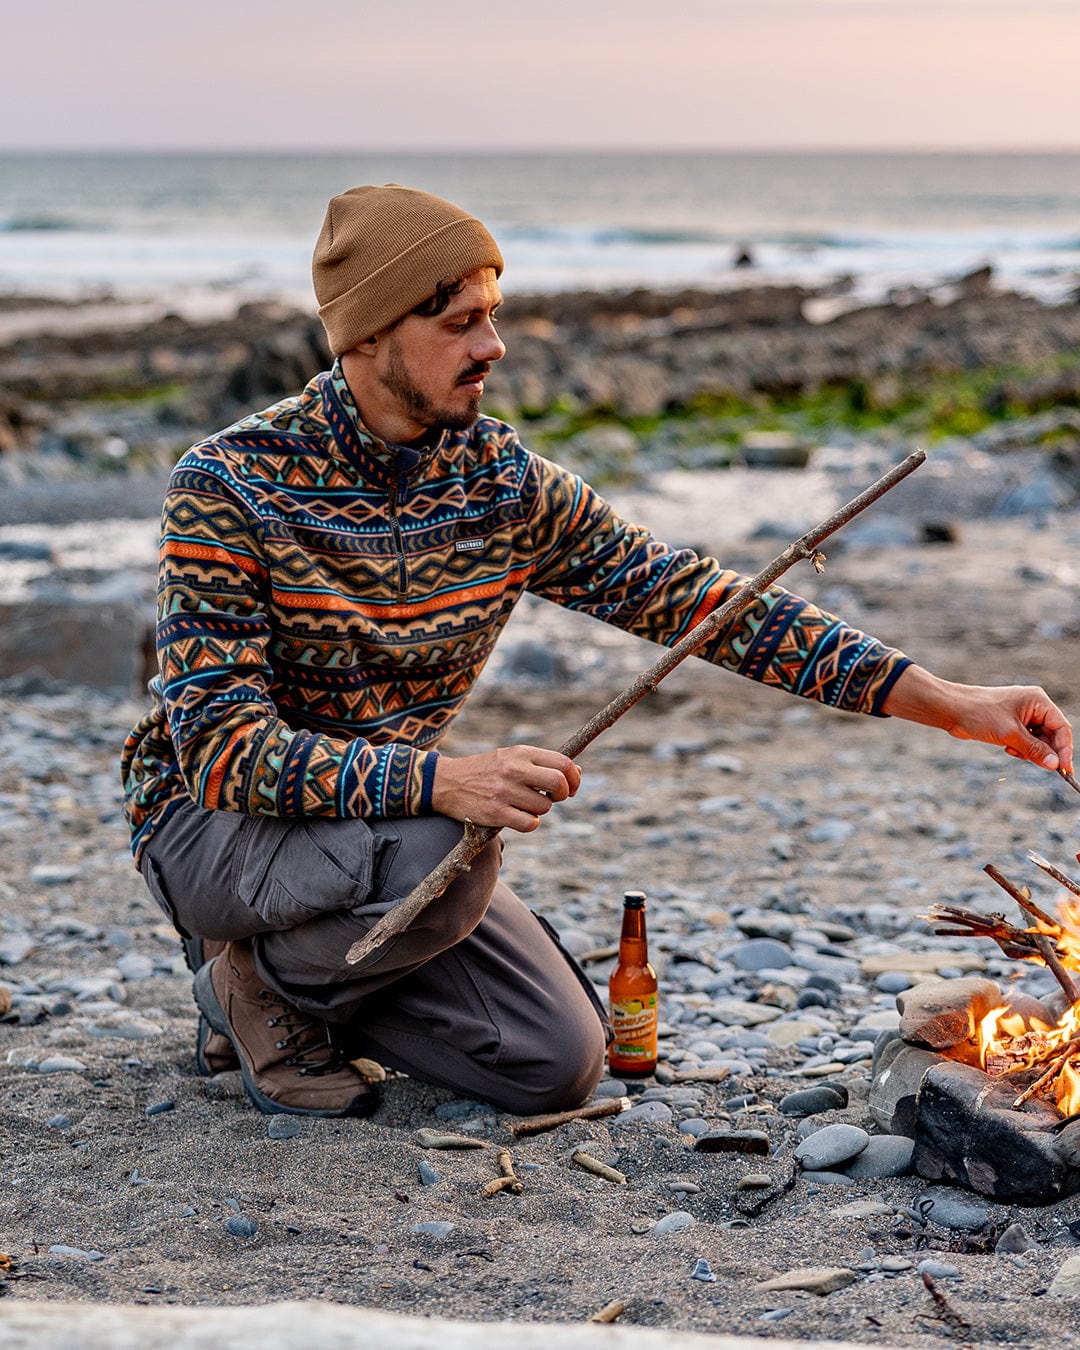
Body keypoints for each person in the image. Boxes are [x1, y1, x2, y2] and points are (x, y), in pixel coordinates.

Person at [120, 184, 1073, 1121]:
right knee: (445, 842)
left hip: (382, 839)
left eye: (493, 316)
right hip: (211, 826)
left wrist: (945, 700)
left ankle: (268, 990)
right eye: (459, 322)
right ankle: (258, 981)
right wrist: (440, 782)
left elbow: (709, 607)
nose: (492, 347)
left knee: (553, 1062)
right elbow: (220, 749)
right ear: (367, 333)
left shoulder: (503, 486)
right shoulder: (231, 482)